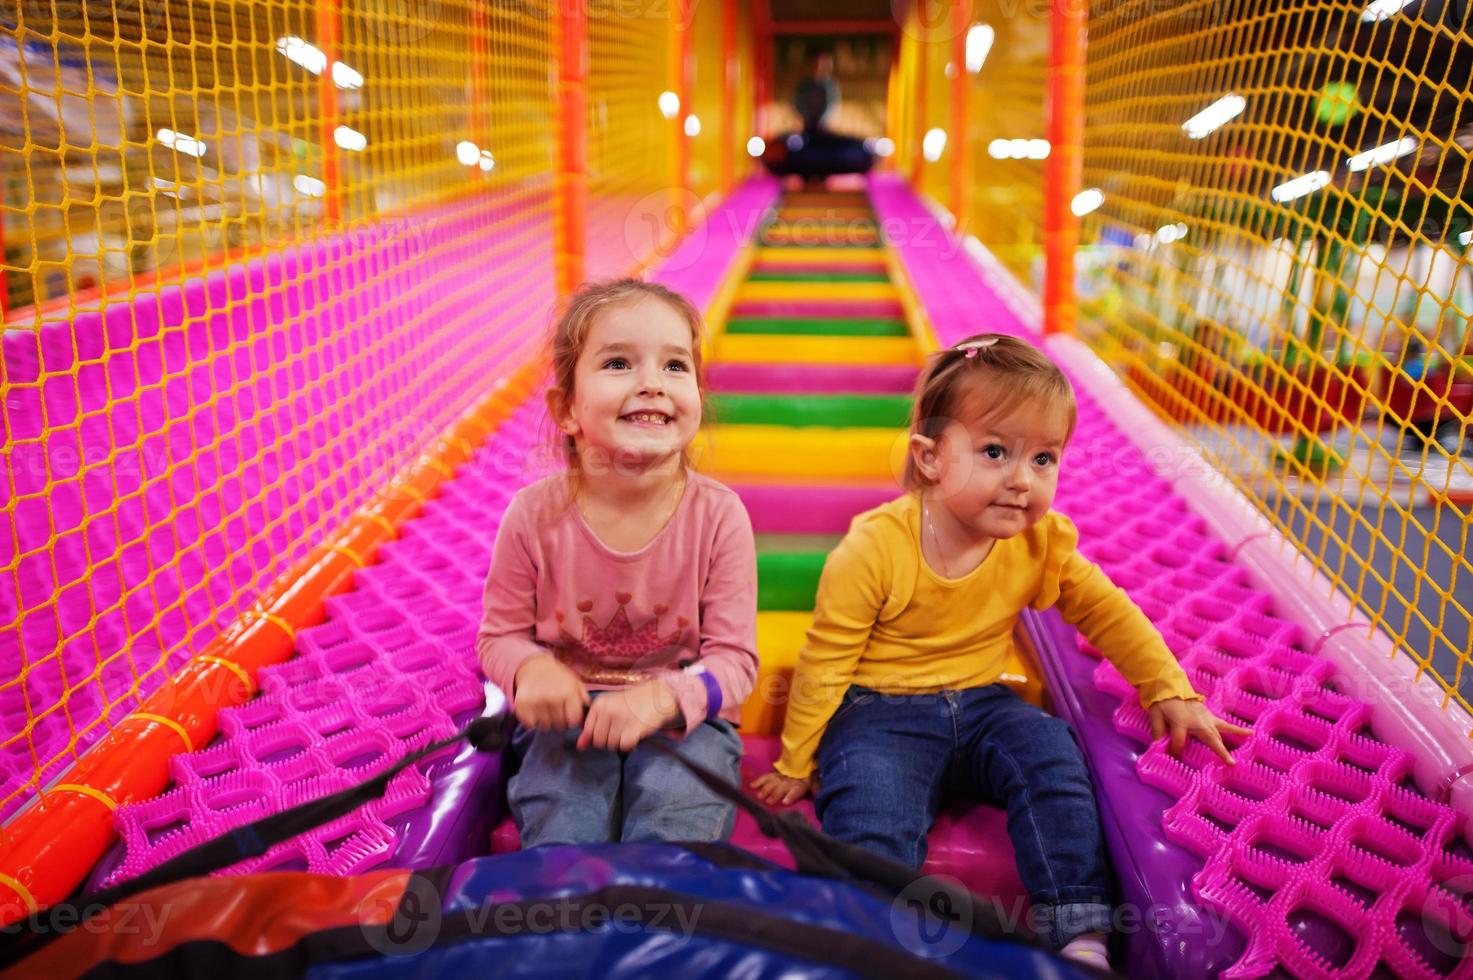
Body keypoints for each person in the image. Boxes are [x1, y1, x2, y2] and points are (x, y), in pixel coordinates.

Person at [751, 333, 1248, 965]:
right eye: (994, 452)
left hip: (985, 704)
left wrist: (1167, 687)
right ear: (930, 459)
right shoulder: (876, 547)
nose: (1022, 480)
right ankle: (868, 940)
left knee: (1050, 755)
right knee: (871, 805)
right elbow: (825, 659)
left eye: (1044, 459)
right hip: (880, 711)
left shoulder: (1040, 542)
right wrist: (797, 761)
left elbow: (1107, 608)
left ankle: (1079, 932)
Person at [477, 278, 759, 847]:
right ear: (568, 409)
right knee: (563, 824)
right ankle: (566, 924)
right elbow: (499, 637)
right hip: (569, 717)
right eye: (619, 364)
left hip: (683, 719)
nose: (653, 384)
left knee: (678, 824)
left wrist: (665, 698)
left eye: (675, 367)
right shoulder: (532, 517)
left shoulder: (720, 516)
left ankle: (657, 926)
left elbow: (734, 662)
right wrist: (531, 671)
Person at [794, 50, 839, 135]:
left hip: (824, 125)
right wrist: (804, 118)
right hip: (806, 124)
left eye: (822, 64)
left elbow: (832, 104)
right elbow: (797, 102)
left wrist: (823, 121)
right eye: (816, 64)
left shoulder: (830, 85)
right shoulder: (803, 84)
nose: (818, 67)